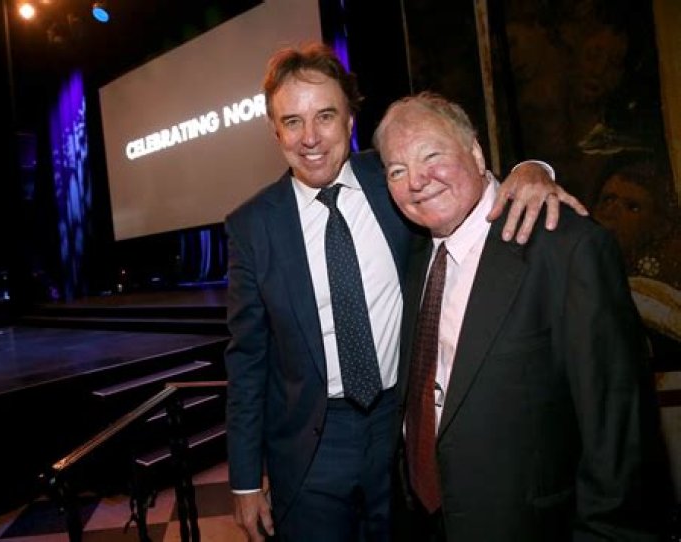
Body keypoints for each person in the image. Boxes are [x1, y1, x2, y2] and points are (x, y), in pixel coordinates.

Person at [224, 42, 584, 542]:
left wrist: (533, 170)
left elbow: (463, 168)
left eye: (325, 116)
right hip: (309, 446)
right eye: (292, 121)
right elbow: (247, 361)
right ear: (274, 130)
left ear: (350, 119)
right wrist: (244, 480)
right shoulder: (251, 227)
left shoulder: (395, 179)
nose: (310, 138)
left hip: (402, 431)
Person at [373, 91, 671, 540]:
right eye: (397, 170)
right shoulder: (416, 255)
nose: (416, 180)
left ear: (476, 153)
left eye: (432, 156)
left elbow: (619, 432)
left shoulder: (565, 247)